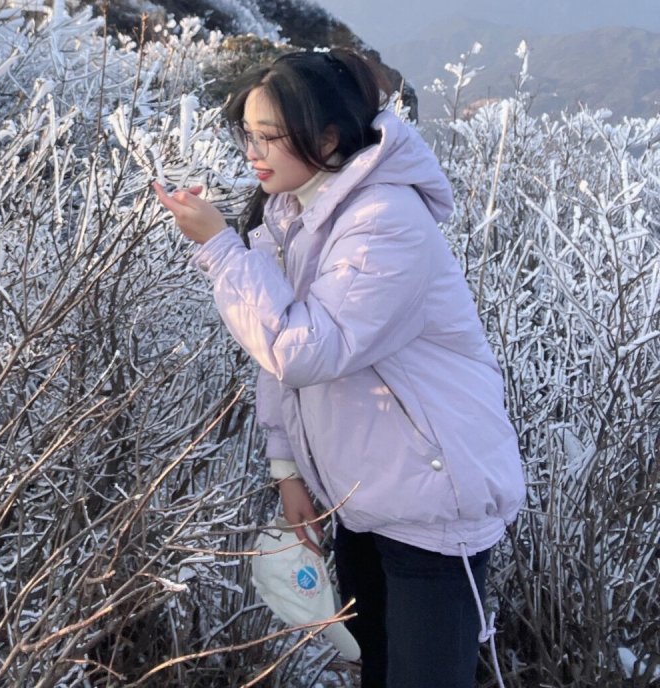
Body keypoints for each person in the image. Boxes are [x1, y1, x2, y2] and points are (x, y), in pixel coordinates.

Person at [154, 48, 524, 688]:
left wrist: (219, 248)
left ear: (327, 137)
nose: (253, 151)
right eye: (249, 133)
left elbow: (303, 349)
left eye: (270, 136)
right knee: (377, 670)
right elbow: (278, 354)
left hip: (435, 503)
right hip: (364, 496)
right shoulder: (293, 211)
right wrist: (288, 466)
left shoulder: (385, 220)